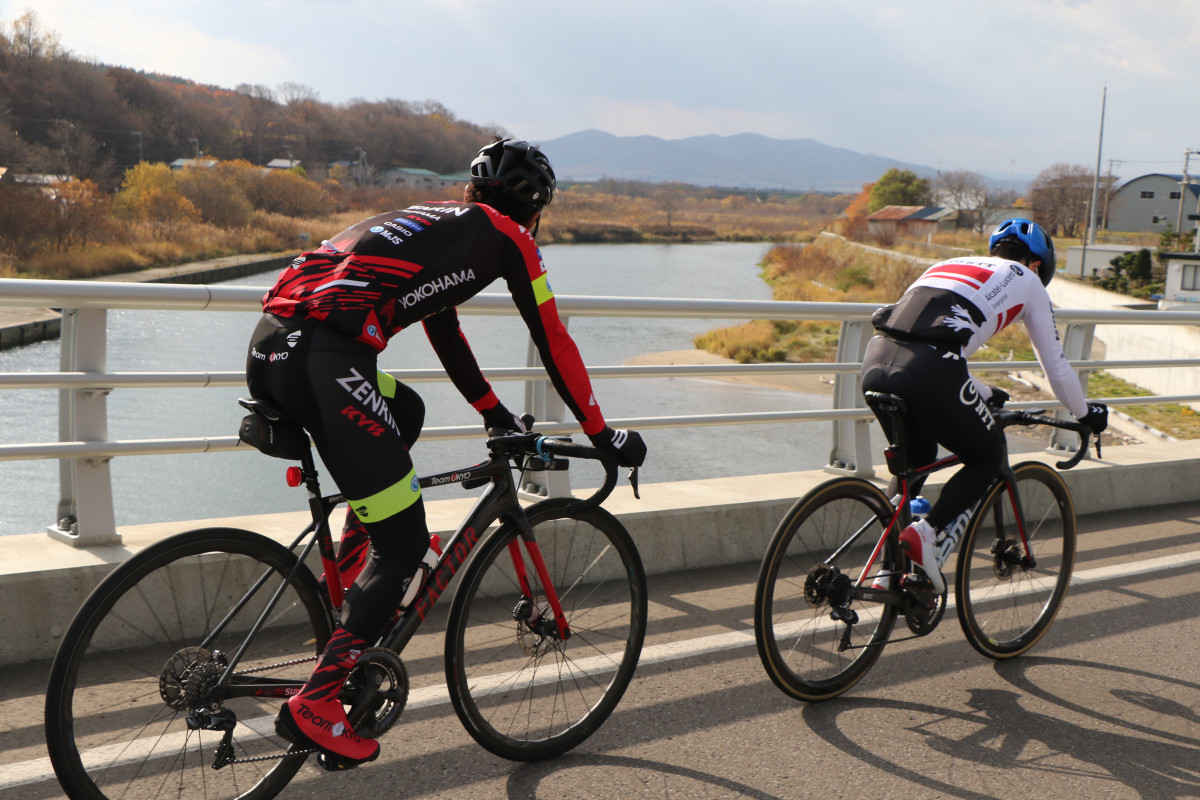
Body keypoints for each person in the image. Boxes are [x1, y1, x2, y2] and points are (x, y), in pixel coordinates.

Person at [245, 138, 647, 767]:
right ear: (535, 211)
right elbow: (554, 339)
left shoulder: (436, 220)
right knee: (406, 545)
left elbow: (442, 324)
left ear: (469, 190)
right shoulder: (510, 236)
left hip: (273, 348)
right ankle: (319, 704)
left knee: (405, 410)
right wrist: (603, 435)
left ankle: (354, 577)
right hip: (327, 360)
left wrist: (491, 412)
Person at [860, 218, 1107, 595]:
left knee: (916, 459)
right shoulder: (1027, 281)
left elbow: (920, 336)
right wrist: (1085, 414)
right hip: (931, 369)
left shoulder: (948, 264)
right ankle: (925, 534)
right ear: (1037, 264)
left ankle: (885, 568)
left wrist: (981, 390)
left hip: (876, 360)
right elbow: (1055, 366)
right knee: (985, 457)